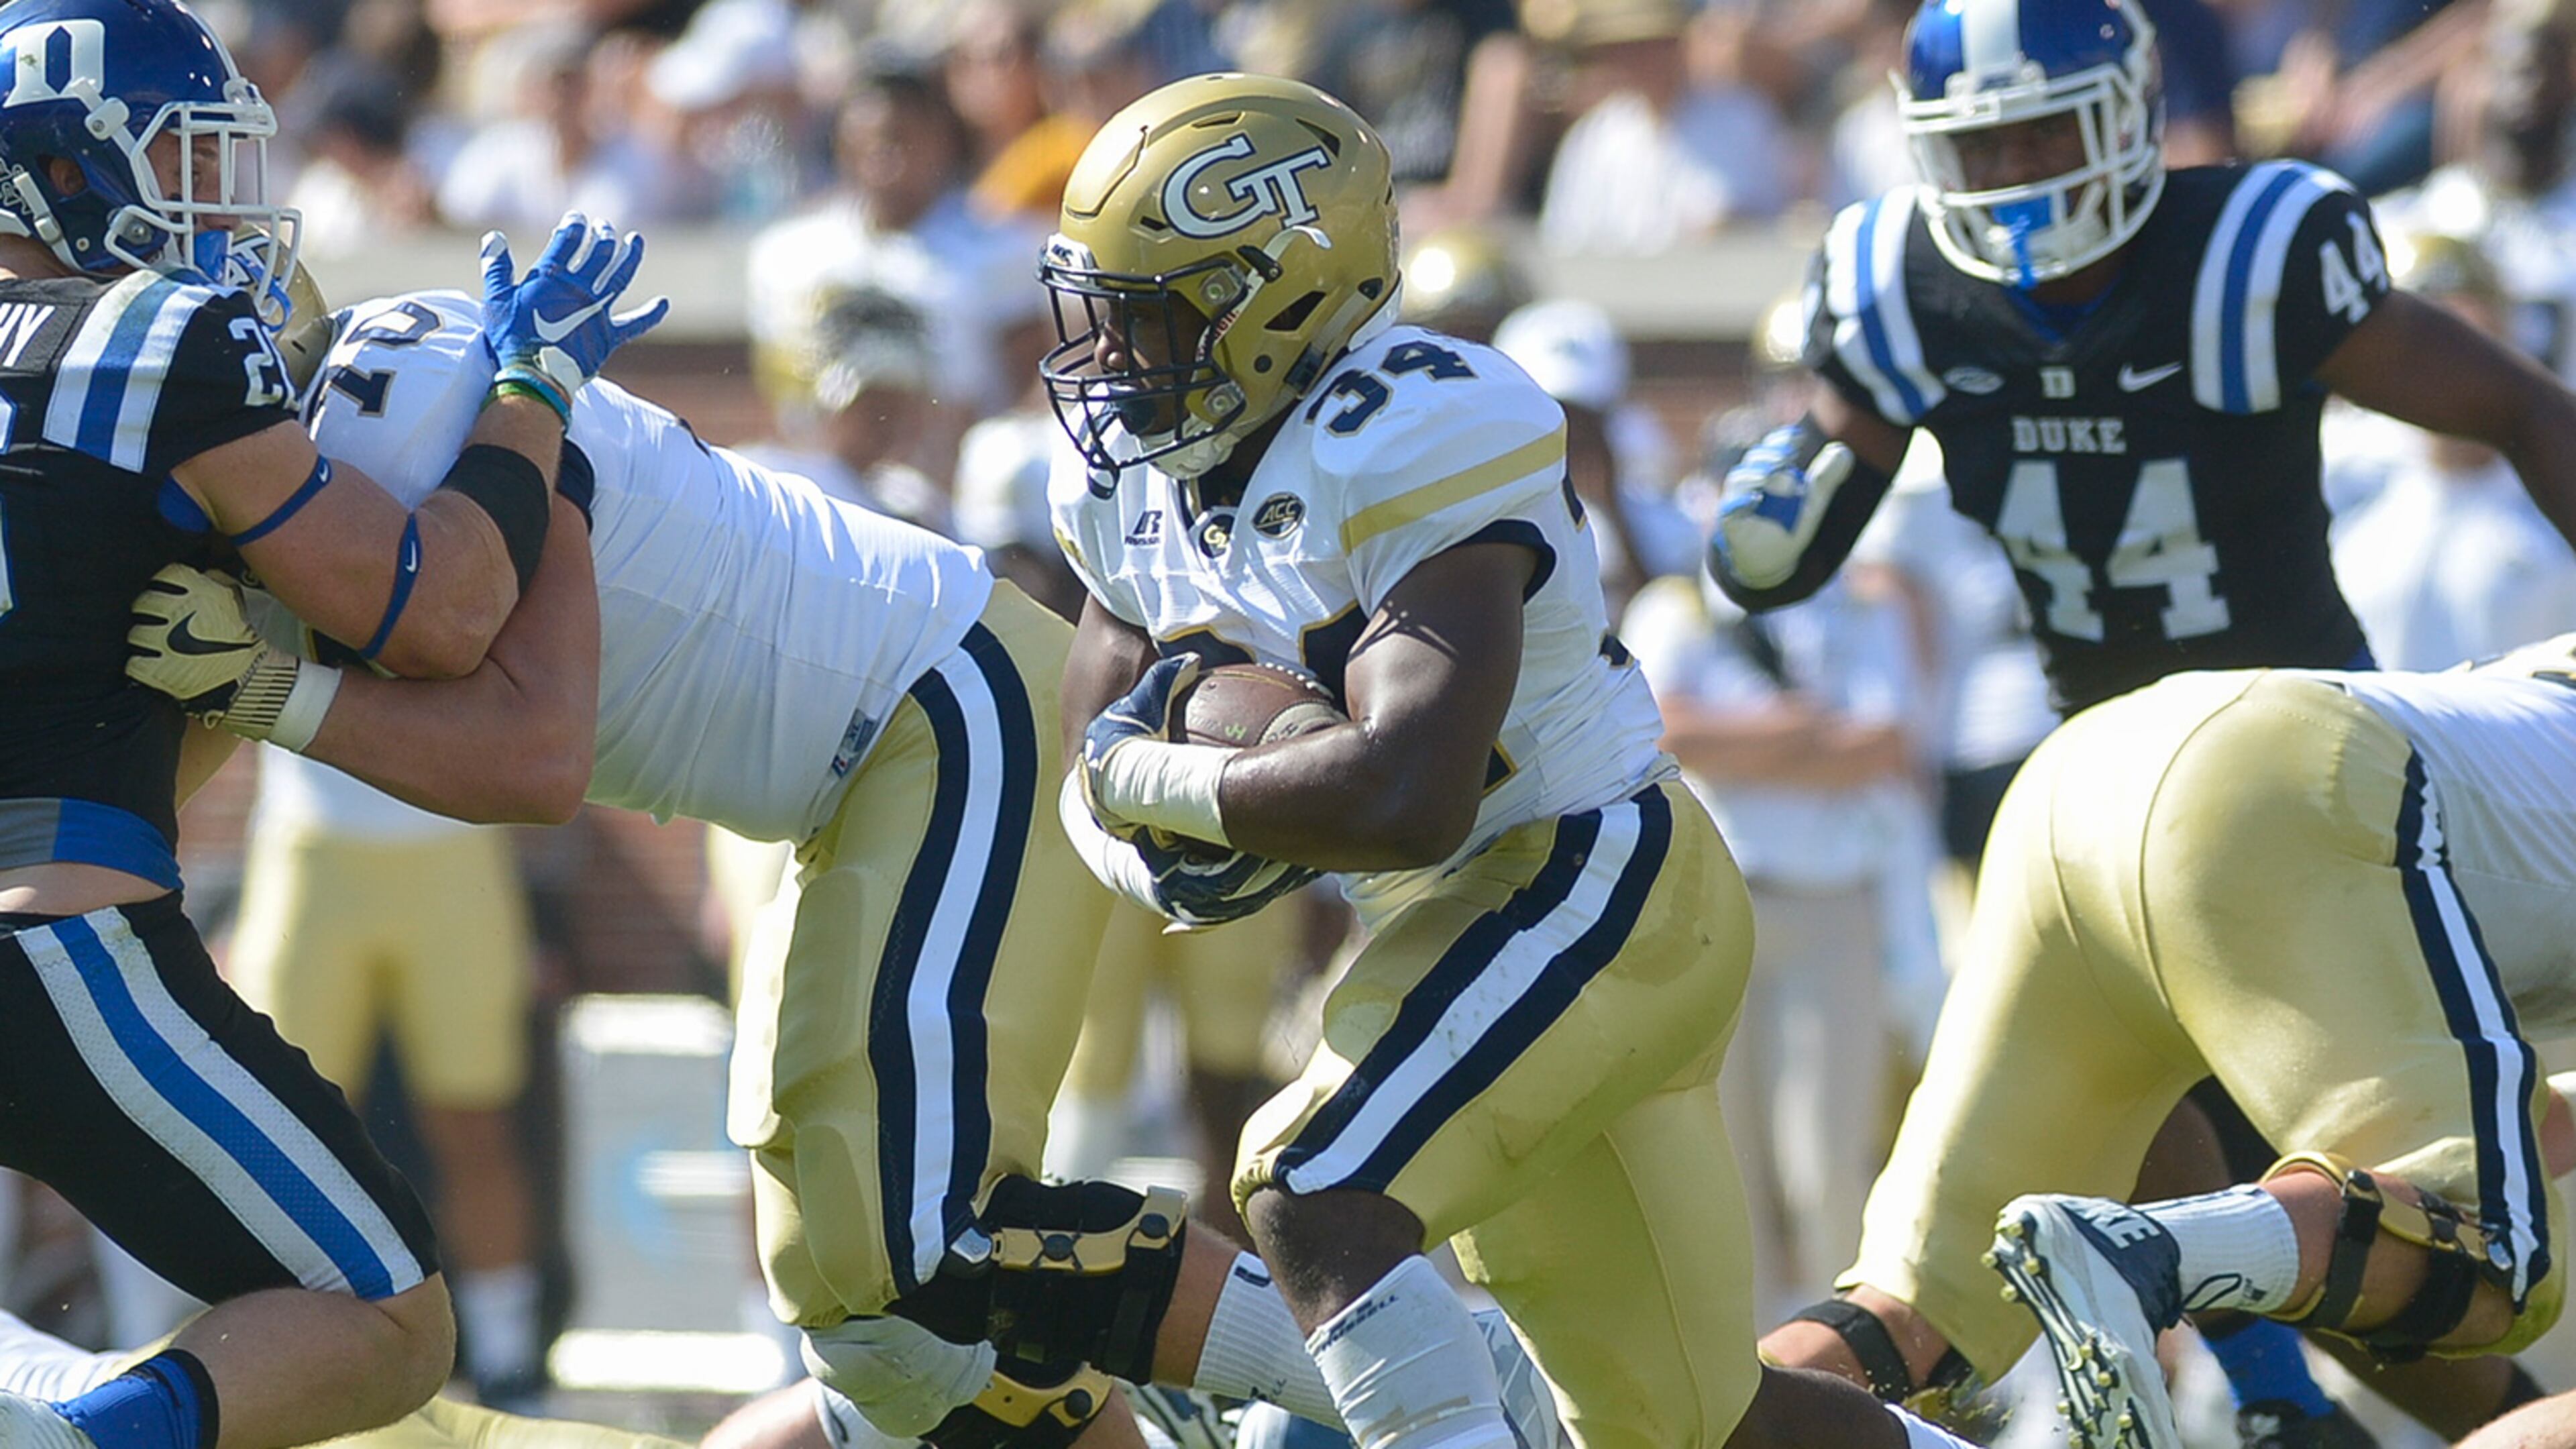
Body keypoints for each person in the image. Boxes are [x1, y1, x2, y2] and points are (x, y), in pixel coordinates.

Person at [127, 284, 1557, 1449]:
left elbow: (533, 754)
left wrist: (271, 690)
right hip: (864, 773)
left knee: (928, 1243)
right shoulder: (329, 449)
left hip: (949, 708)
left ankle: (1442, 1383)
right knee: (873, 1322)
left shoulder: (405, 420)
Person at [1040, 70, 1991, 1449]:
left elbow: (1410, 794)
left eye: (1157, 315)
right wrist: (1154, 819)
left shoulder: (1415, 425)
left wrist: (1168, 787)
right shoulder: (1126, 476)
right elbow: (1092, 752)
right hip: (1460, 915)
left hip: (1591, 876)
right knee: (1687, 1425)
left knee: (1313, 1184)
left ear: (1281, 300)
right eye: (1107, 313)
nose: (1117, 360)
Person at [0, 0, 663, 1440]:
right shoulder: (150, 335)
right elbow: (439, 608)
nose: (217, 197)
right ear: (52, 166)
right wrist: (532, 391)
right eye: (181, 157)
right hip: (55, 942)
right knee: (383, 1316)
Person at [1766, 637, 2576, 1449]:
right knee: (2501, 1256)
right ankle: (2142, 1257)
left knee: (1909, 1317)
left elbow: (2497, 1138)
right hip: (2272, 780)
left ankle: (1707, 1413)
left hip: (2079, 780)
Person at [1707, 0, 2576, 722]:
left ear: (2129, 112)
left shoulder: (2244, 255)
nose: (2016, 173)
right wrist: (1764, 527)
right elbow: (1773, 567)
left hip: (2307, 719)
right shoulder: (1907, 288)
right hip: (2093, 745)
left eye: (2048, 130)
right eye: (1981, 143)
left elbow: (2526, 408)